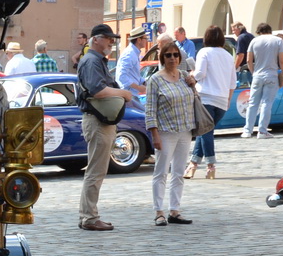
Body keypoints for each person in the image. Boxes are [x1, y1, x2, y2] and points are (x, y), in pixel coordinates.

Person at [74, 24, 130, 232]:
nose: (111, 43)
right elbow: (97, 91)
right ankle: (89, 217)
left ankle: (88, 215)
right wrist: (123, 94)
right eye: (108, 39)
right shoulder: (91, 61)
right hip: (97, 120)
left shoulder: (94, 60)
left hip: (99, 120)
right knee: (96, 171)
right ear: (96, 39)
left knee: (96, 170)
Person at [143, 38, 195, 226]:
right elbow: (150, 110)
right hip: (165, 131)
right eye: (168, 55)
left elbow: (193, 100)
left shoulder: (183, 76)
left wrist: (193, 84)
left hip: (185, 130)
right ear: (162, 58)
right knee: (161, 172)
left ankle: (175, 210)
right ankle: (159, 212)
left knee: (179, 172)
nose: (172, 58)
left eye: (175, 55)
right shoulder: (155, 80)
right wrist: (154, 134)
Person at [187, 25, 234, 179]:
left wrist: (191, 74)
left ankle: (210, 165)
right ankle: (192, 165)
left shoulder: (204, 52)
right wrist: (228, 100)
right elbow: (233, 82)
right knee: (204, 132)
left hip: (206, 97)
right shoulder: (228, 55)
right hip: (221, 100)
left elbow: (200, 73)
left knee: (206, 132)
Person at [241, 23, 283, 137]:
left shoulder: (254, 41)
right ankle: (262, 130)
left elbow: (248, 60)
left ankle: (247, 130)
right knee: (267, 103)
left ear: (259, 31)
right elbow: (282, 60)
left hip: (257, 75)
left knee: (253, 103)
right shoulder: (278, 41)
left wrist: (253, 72)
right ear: (270, 30)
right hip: (271, 74)